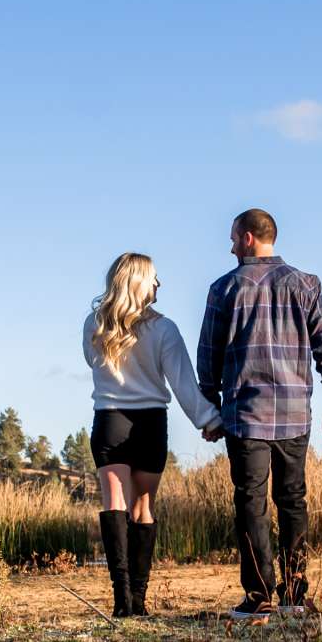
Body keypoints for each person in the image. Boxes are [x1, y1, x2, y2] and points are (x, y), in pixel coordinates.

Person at [196, 209, 322, 620]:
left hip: (245, 415)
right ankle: (296, 594)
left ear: (247, 238)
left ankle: (260, 595)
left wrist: (209, 408)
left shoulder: (224, 289)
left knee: (252, 502)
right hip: (295, 414)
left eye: (231, 238)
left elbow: (208, 354)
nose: (229, 246)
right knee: (293, 500)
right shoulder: (305, 285)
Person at [84, 252, 223, 617]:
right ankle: (139, 601)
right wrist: (209, 420)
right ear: (140, 283)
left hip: (109, 420)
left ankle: (121, 600)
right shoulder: (164, 329)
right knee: (142, 507)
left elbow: (91, 362)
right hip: (150, 424)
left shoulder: (95, 325)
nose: (159, 284)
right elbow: (183, 385)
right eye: (154, 278)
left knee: (113, 502)